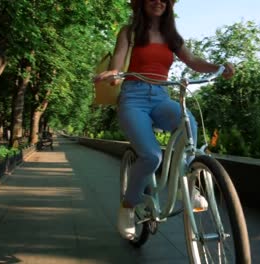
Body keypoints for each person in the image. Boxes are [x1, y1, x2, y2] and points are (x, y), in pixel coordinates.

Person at [94, 0, 235, 240]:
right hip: (133, 97)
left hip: (161, 95)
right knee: (151, 155)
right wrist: (115, 74)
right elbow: (118, 60)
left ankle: (189, 188)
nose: (158, 1)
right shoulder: (130, 32)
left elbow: (193, 61)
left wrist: (218, 67)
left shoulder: (172, 36)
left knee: (187, 120)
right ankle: (128, 206)